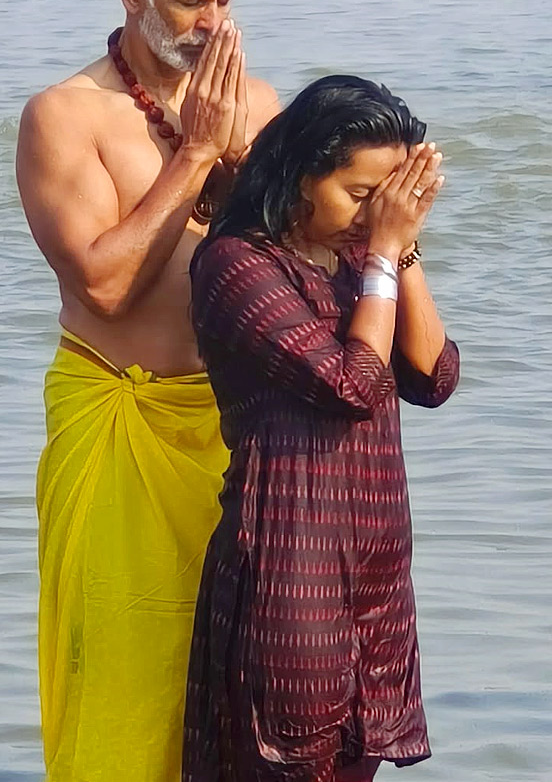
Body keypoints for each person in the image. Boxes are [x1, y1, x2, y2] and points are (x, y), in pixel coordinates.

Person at [16, 0, 279, 782]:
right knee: (128, 672)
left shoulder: (259, 104)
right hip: (120, 418)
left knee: (244, 683)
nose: (213, 23)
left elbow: (308, 266)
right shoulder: (64, 116)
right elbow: (107, 283)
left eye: (227, 2)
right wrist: (198, 154)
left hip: (234, 431)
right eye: (190, 1)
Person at [183, 76, 460, 782]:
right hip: (287, 566)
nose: (373, 217)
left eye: (390, 198)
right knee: (286, 760)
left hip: (375, 569)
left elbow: (432, 377)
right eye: (361, 196)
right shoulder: (237, 264)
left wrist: (401, 252)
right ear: (303, 173)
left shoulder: (360, 265)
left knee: (357, 760)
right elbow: (352, 383)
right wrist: (382, 254)